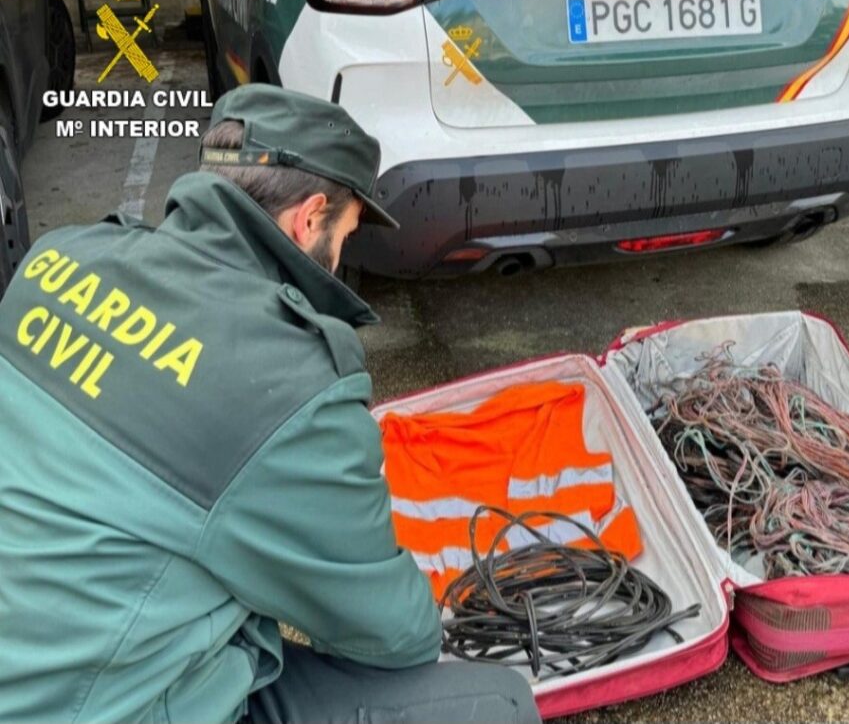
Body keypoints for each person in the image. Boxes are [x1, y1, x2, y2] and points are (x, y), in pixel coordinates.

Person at [0, 84, 541, 724]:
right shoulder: (290, 384)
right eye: (345, 232)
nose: (340, 258)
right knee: (496, 704)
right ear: (308, 220)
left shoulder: (57, 258)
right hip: (103, 706)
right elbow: (394, 637)